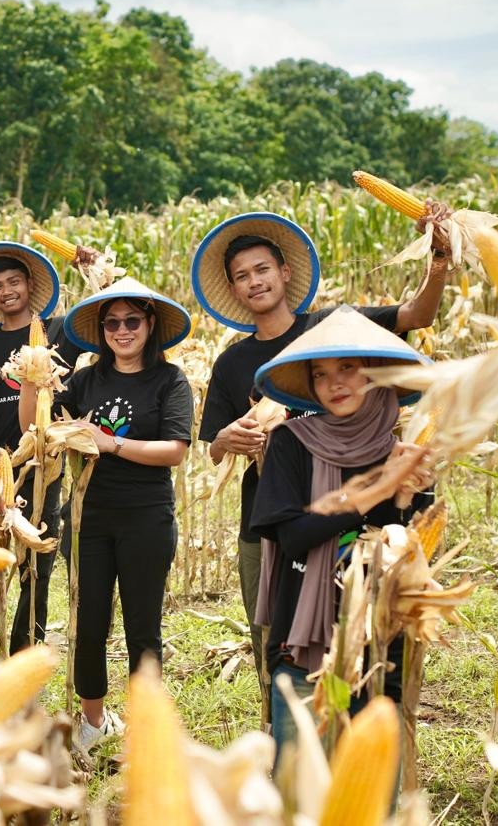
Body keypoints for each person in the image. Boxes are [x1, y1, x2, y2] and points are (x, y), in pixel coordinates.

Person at [192, 209, 451, 714]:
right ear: (233, 289)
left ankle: (364, 741)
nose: (254, 282)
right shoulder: (231, 364)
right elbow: (214, 448)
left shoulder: (337, 329)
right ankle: (286, 743)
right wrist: (227, 438)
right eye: (242, 277)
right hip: (278, 520)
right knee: (278, 640)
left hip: (369, 517)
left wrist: (439, 259)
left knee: (368, 639)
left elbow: (417, 315)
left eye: (262, 269)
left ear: (284, 272)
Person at [248, 306, 434, 758]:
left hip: (381, 641)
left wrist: (408, 498)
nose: (335, 384)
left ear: (375, 373)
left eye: (348, 368)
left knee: (370, 788)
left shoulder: (404, 454)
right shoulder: (292, 442)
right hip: (303, 641)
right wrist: (376, 490)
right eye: (321, 373)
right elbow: (292, 537)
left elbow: (414, 549)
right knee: (301, 790)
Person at [18, 277, 193, 753]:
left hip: (146, 517)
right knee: (87, 619)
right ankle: (93, 722)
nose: (121, 330)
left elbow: (174, 450)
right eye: (111, 323)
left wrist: (108, 441)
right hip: (88, 518)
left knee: (143, 624)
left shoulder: (170, 380)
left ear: (150, 324)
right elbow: (36, 428)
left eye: (131, 320)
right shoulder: (86, 379)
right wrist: (33, 382)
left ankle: (146, 726)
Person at [0, 241, 80, 673]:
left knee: (36, 571)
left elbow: (106, 316)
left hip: (43, 469)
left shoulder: (60, 331)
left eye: (13, 282)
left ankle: (26, 665)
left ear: (29, 285)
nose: (6, 291)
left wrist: (90, 264)